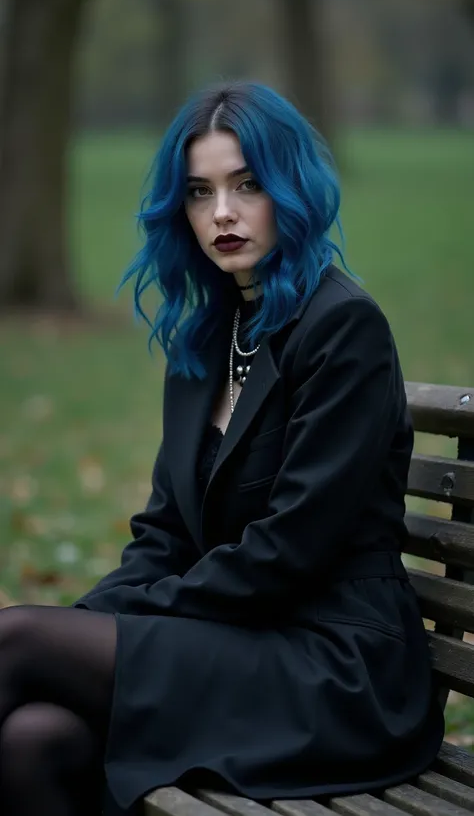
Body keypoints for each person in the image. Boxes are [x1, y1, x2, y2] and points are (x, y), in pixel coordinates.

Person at [0, 81, 444, 816]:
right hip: (239, 641)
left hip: (333, 667)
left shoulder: (343, 329)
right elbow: (164, 533)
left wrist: (122, 622)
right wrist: (97, 616)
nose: (223, 214)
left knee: (17, 637)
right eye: (201, 193)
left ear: (291, 190)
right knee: (32, 738)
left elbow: (291, 550)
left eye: (247, 185)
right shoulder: (204, 341)